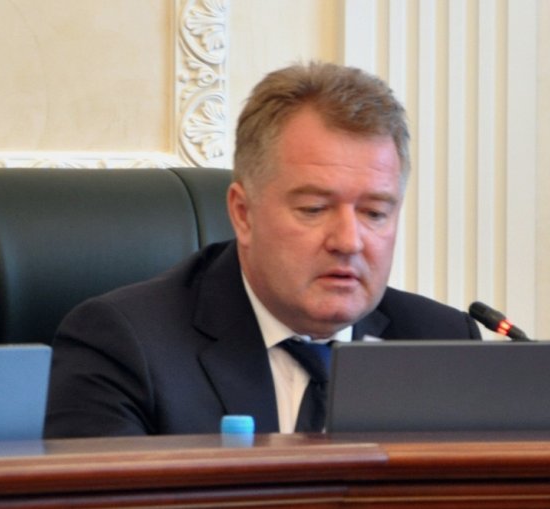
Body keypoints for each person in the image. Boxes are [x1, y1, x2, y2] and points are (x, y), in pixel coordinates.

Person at [44, 61, 480, 438]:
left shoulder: (443, 344)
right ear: (243, 214)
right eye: (313, 209)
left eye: (375, 213)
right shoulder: (126, 347)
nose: (348, 241)